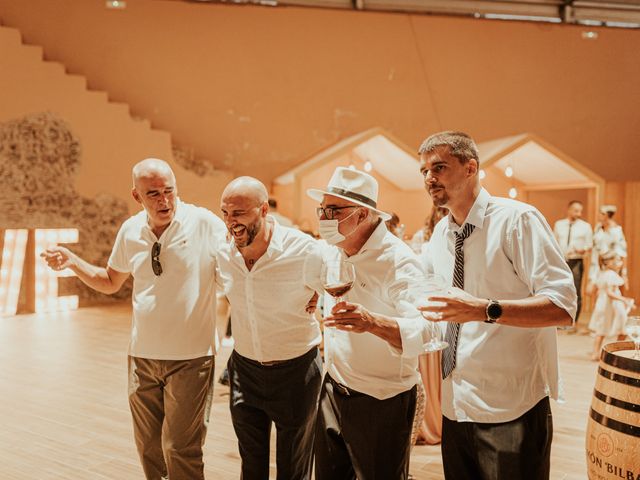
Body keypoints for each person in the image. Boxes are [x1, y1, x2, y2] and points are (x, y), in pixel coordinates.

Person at [41, 158, 226, 480]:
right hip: (142, 358)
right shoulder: (130, 230)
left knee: (181, 448)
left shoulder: (205, 224)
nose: (164, 200)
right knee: (149, 449)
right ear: (136, 195)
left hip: (192, 358)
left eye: (169, 190)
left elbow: (238, 272)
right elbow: (111, 280)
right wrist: (72, 261)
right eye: (153, 193)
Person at [418, 131, 576, 480]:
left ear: (470, 167)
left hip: (511, 406)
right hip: (455, 405)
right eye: (424, 171)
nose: (429, 178)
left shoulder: (517, 220)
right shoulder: (440, 236)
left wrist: (485, 310)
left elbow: (563, 306)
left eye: (439, 167)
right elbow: (422, 297)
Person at [307, 167, 426, 480]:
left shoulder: (400, 261)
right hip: (334, 386)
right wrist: (308, 293)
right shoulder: (335, 249)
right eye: (322, 209)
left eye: (332, 211)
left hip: (382, 399)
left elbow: (425, 330)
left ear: (361, 215)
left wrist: (372, 322)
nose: (323, 219)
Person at [217, 177, 324, 480]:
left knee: (293, 468)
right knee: (251, 466)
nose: (230, 222)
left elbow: (340, 280)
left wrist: (319, 293)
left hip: (296, 373)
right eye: (225, 213)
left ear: (264, 210)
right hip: (245, 370)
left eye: (239, 213)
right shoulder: (223, 252)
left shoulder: (304, 250)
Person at [553, 200, 593, 327]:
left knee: (575, 291)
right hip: (561, 260)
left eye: (580, 211)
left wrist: (584, 249)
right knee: (559, 289)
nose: (579, 213)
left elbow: (590, 244)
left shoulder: (585, 226)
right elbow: (554, 242)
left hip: (576, 261)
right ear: (569, 210)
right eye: (576, 210)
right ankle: (559, 319)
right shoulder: (559, 224)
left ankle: (573, 320)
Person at [588, 253, 635, 360]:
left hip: (602, 303)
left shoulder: (603, 273)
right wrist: (625, 300)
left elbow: (597, 291)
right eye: (617, 261)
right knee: (621, 328)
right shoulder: (611, 275)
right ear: (609, 263)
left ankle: (596, 352)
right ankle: (616, 352)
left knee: (601, 329)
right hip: (609, 305)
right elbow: (610, 293)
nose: (620, 263)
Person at [590, 205, 628, 289]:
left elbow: (623, 251)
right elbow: (594, 246)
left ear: (606, 215)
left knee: (608, 291)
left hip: (610, 265)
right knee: (593, 290)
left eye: (601, 213)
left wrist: (624, 273)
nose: (599, 215)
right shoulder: (598, 228)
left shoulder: (616, 230)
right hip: (596, 264)